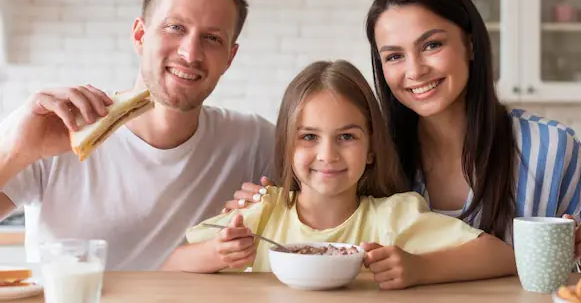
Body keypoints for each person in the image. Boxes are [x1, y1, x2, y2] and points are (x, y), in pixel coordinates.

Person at [226, 0, 581, 275]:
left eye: (432, 45)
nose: (415, 70)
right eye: (394, 56)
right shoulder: (370, 152)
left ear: (470, 44)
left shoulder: (550, 148)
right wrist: (261, 203)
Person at [0, 0, 274, 270]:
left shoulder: (254, 141)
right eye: (175, 27)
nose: (190, 53)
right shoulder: (56, 128)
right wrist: (15, 153)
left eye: (212, 38)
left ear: (229, 57)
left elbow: (327, 233)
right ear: (140, 35)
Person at [173, 60, 516, 290]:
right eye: (308, 137)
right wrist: (217, 253)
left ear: (370, 148)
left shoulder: (395, 217)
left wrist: (418, 268)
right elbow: (169, 268)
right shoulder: (262, 212)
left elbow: (503, 255)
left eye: (347, 137)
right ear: (287, 146)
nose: (327, 155)